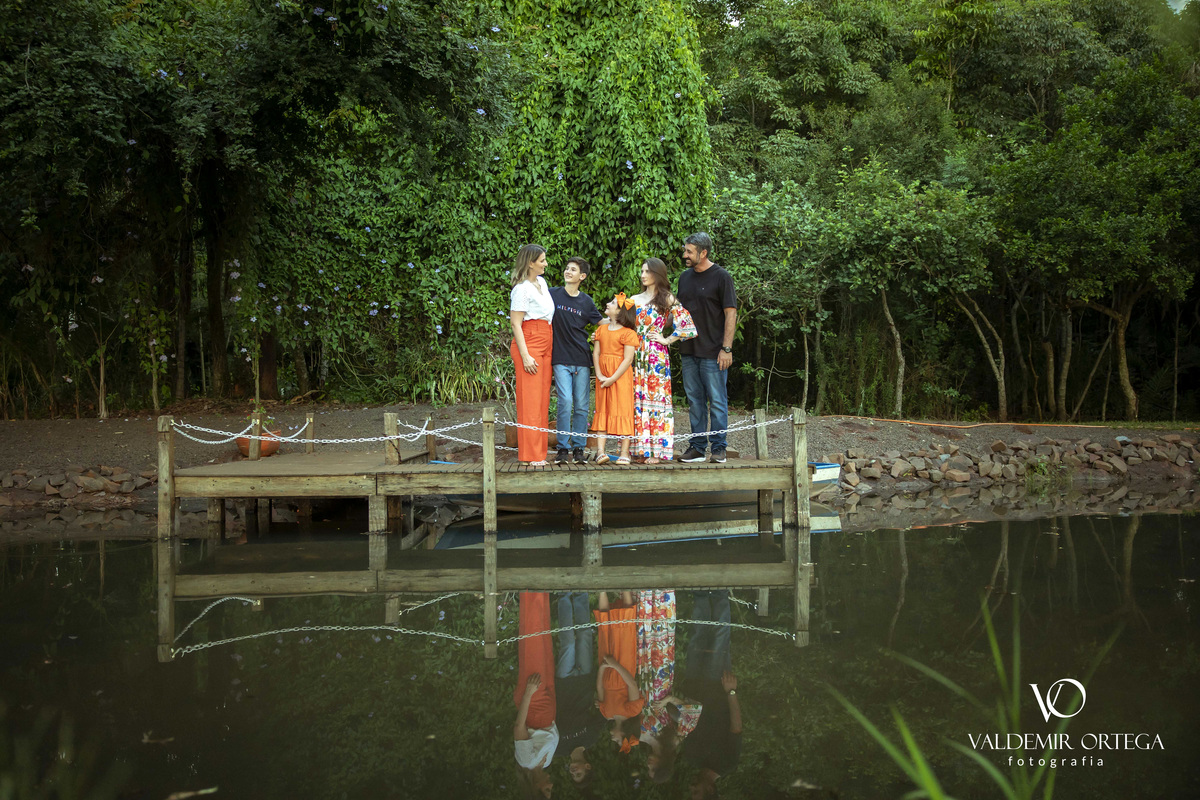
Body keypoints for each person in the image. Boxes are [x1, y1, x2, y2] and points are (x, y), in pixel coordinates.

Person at [677, 233, 738, 464]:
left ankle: (719, 448)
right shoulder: (684, 278)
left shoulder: (722, 277)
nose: (685, 255)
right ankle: (697, 447)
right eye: (685, 250)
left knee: (718, 401)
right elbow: (678, 312)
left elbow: (730, 313)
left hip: (714, 352)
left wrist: (727, 348)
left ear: (703, 253)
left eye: (689, 251)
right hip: (688, 350)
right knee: (695, 401)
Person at [631, 258, 697, 464]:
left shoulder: (667, 298)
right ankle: (640, 450)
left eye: (648, 271)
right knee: (637, 399)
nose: (643, 275)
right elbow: (622, 323)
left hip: (655, 355)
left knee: (656, 399)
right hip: (635, 353)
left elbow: (687, 325)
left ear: (658, 274)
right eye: (642, 271)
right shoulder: (634, 299)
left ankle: (656, 452)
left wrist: (667, 339)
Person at [680, 591, 741, 798]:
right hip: (717, 685)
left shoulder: (691, 758)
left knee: (698, 636)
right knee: (720, 637)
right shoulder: (728, 763)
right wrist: (731, 691)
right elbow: (736, 727)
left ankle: (700, 592)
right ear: (710, 790)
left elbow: (685, 721)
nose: (691, 787)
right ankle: (720, 591)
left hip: (693, 683)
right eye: (696, 791)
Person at [636, 589, 701, 784]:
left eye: (648, 768)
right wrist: (670, 700)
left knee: (642, 634)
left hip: (641, 679)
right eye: (653, 768)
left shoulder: (640, 738)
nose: (648, 764)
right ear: (663, 764)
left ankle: (643, 591)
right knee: (660, 637)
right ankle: (662, 591)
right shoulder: (674, 740)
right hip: (660, 681)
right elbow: (694, 711)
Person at [550, 257, 603, 465]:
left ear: (582, 276)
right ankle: (563, 448)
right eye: (567, 268)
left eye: (573, 269)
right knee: (565, 401)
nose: (568, 271)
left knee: (581, 406)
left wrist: (623, 319)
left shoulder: (586, 301)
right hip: (560, 358)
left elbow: (602, 323)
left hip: (581, 358)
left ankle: (579, 448)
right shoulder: (552, 294)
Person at [510, 244, 555, 466]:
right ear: (530, 263)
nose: (546, 264)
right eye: (542, 260)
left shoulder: (542, 283)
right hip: (530, 341)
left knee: (542, 399)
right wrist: (525, 355)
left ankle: (540, 452)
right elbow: (516, 324)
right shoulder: (522, 289)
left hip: (547, 338)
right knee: (530, 400)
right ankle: (531, 454)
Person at [554, 592, 606, 782]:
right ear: (587, 766)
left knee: (568, 643)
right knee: (584, 636)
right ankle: (580, 595)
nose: (573, 771)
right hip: (585, 679)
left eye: (572, 774)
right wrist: (599, 701)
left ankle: (564, 596)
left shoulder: (558, 749)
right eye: (579, 773)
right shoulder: (591, 738)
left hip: (564, 682)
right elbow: (604, 713)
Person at [513, 592, 558, 798]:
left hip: (533, 701)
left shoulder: (527, 761)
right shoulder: (545, 762)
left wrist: (529, 694)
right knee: (544, 639)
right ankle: (542, 590)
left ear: (536, 788)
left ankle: (530, 591)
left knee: (532, 639)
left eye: (547, 789)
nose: (551, 785)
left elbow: (519, 727)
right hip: (548, 701)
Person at [591, 293, 641, 466]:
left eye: (612, 303)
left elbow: (628, 359)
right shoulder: (601, 330)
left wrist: (612, 378)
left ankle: (624, 452)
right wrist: (599, 374)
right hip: (603, 376)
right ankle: (600, 452)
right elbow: (596, 353)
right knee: (602, 409)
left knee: (623, 409)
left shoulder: (628, 333)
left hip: (620, 377)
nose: (607, 303)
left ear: (620, 312)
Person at [593, 591, 644, 748]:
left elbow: (599, 688)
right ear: (624, 734)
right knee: (624, 631)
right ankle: (625, 589)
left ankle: (602, 591)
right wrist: (615, 665)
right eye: (617, 741)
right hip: (623, 667)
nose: (613, 739)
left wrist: (603, 667)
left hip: (607, 669)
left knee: (605, 631)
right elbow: (632, 685)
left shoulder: (606, 713)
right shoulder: (632, 711)